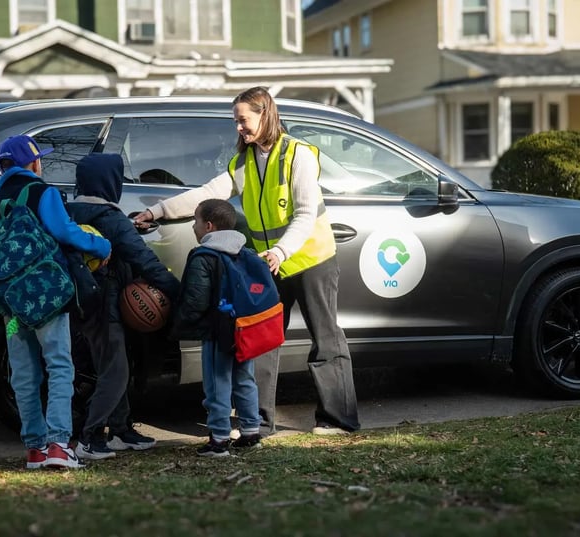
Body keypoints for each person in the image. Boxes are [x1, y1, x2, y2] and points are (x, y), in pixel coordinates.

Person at [134, 86, 360, 436]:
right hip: (270, 263)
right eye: (236, 121)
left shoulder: (297, 155)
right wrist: (158, 211)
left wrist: (282, 250)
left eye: (243, 120)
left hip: (310, 258)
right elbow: (207, 195)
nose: (238, 127)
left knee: (326, 339)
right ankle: (258, 423)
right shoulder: (243, 162)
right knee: (262, 339)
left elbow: (304, 214)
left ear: (265, 114)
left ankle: (338, 419)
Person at [0, 135, 112, 470]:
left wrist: (0, 303)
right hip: (47, 301)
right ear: (35, 163)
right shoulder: (42, 193)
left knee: (23, 372)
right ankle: (59, 445)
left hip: (11, 309)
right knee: (59, 365)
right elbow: (65, 232)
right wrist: (102, 247)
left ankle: (35, 449)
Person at [66, 153, 181, 460]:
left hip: (78, 303)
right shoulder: (111, 219)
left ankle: (120, 430)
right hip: (106, 308)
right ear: (110, 183)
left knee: (110, 367)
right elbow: (146, 262)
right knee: (115, 372)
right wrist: (178, 293)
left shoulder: (68, 212)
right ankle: (89, 438)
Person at [171, 199, 263, 457]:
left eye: (196, 220)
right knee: (245, 379)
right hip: (244, 329)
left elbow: (196, 300)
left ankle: (219, 439)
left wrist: (182, 323)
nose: (193, 226)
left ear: (208, 226)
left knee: (217, 383)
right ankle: (251, 432)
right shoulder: (245, 252)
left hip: (216, 331)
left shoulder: (204, 256)